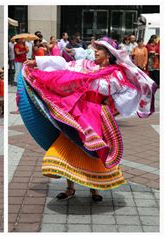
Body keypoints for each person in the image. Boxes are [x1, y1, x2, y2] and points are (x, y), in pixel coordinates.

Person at [20, 37, 156, 203]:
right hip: (76, 111)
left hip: (96, 116)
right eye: (95, 48)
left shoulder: (116, 74)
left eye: (100, 49)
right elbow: (64, 65)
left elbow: (127, 95)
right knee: (71, 144)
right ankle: (70, 188)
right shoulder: (85, 65)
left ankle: (94, 189)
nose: (95, 51)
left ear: (109, 54)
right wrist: (37, 62)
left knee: (94, 153)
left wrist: (109, 106)